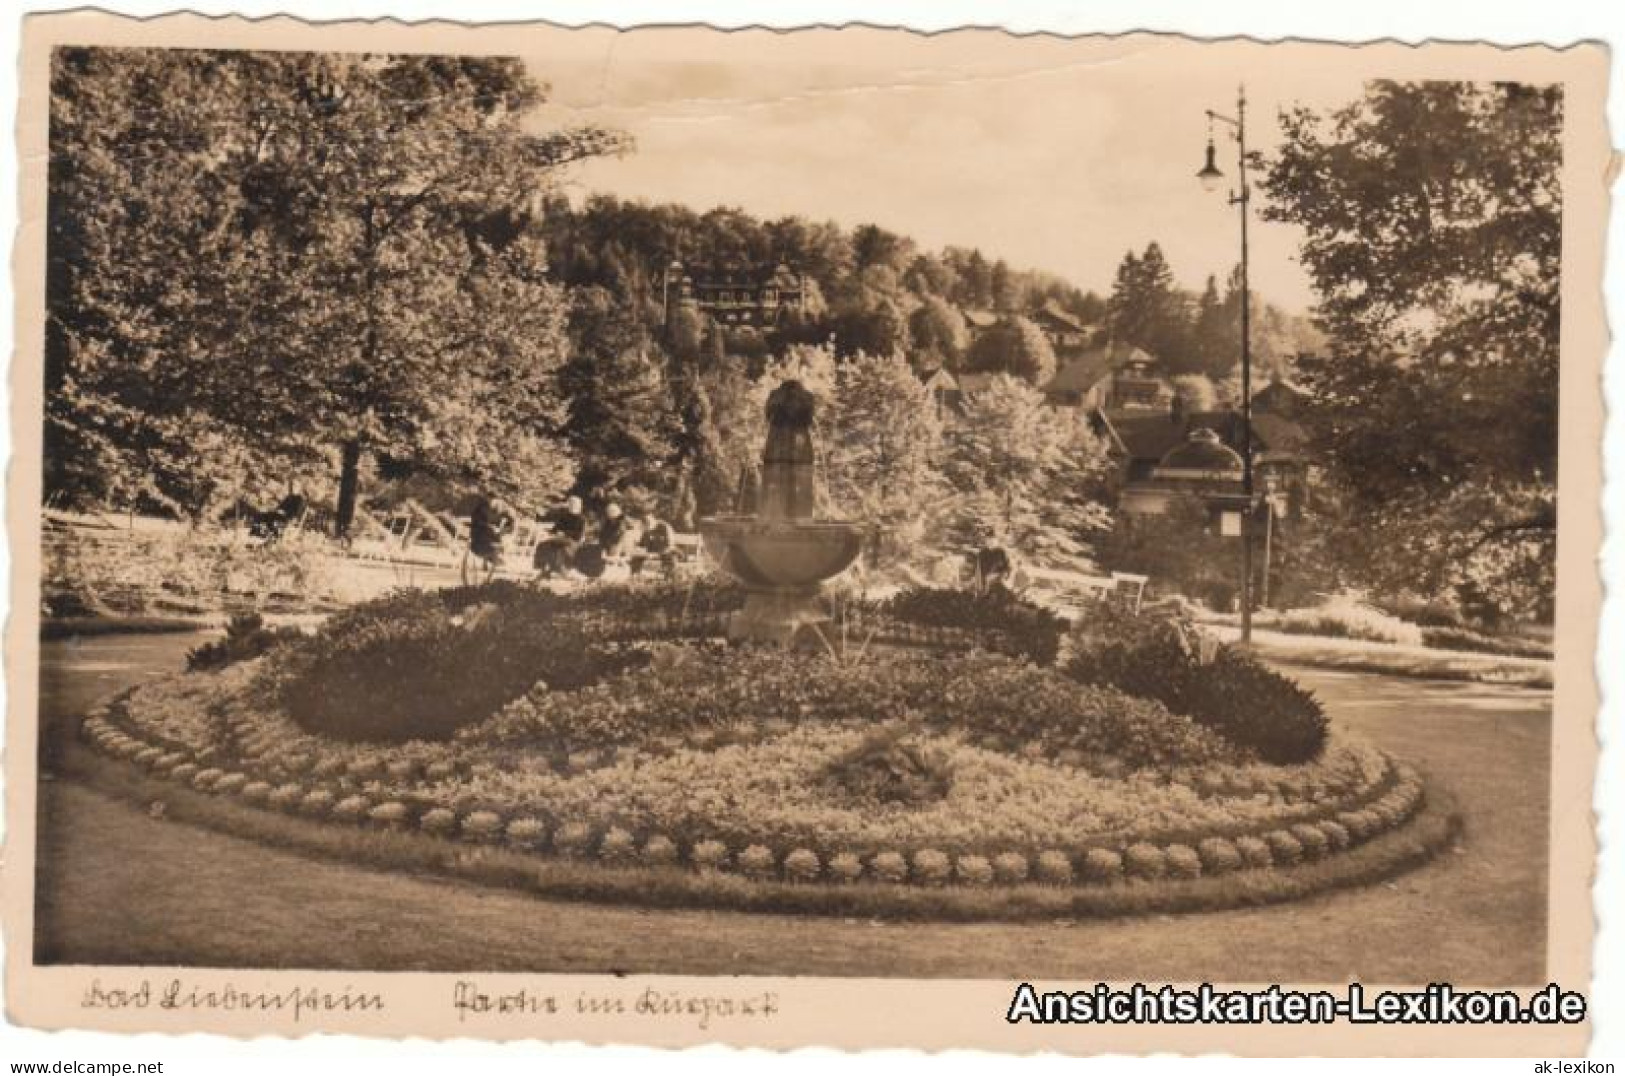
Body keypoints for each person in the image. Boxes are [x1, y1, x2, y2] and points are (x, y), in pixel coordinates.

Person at [533, 495, 588, 579]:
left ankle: (562, 571)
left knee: (562, 550)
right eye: (571, 504)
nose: (572, 506)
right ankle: (543, 569)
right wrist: (548, 530)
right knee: (543, 545)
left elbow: (580, 535)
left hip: (574, 542)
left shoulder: (582, 519)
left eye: (574, 504)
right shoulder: (564, 516)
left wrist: (565, 533)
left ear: (579, 506)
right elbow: (556, 529)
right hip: (560, 539)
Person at [629, 507, 676, 579]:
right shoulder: (647, 530)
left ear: (653, 520)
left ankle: (668, 578)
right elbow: (642, 545)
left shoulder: (664, 527)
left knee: (670, 558)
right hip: (651, 553)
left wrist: (657, 554)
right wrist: (637, 547)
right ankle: (635, 577)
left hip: (666, 553)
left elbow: (670, 545)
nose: (647, 528)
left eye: (649, 524)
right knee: (636, 558)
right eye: (645, 526)